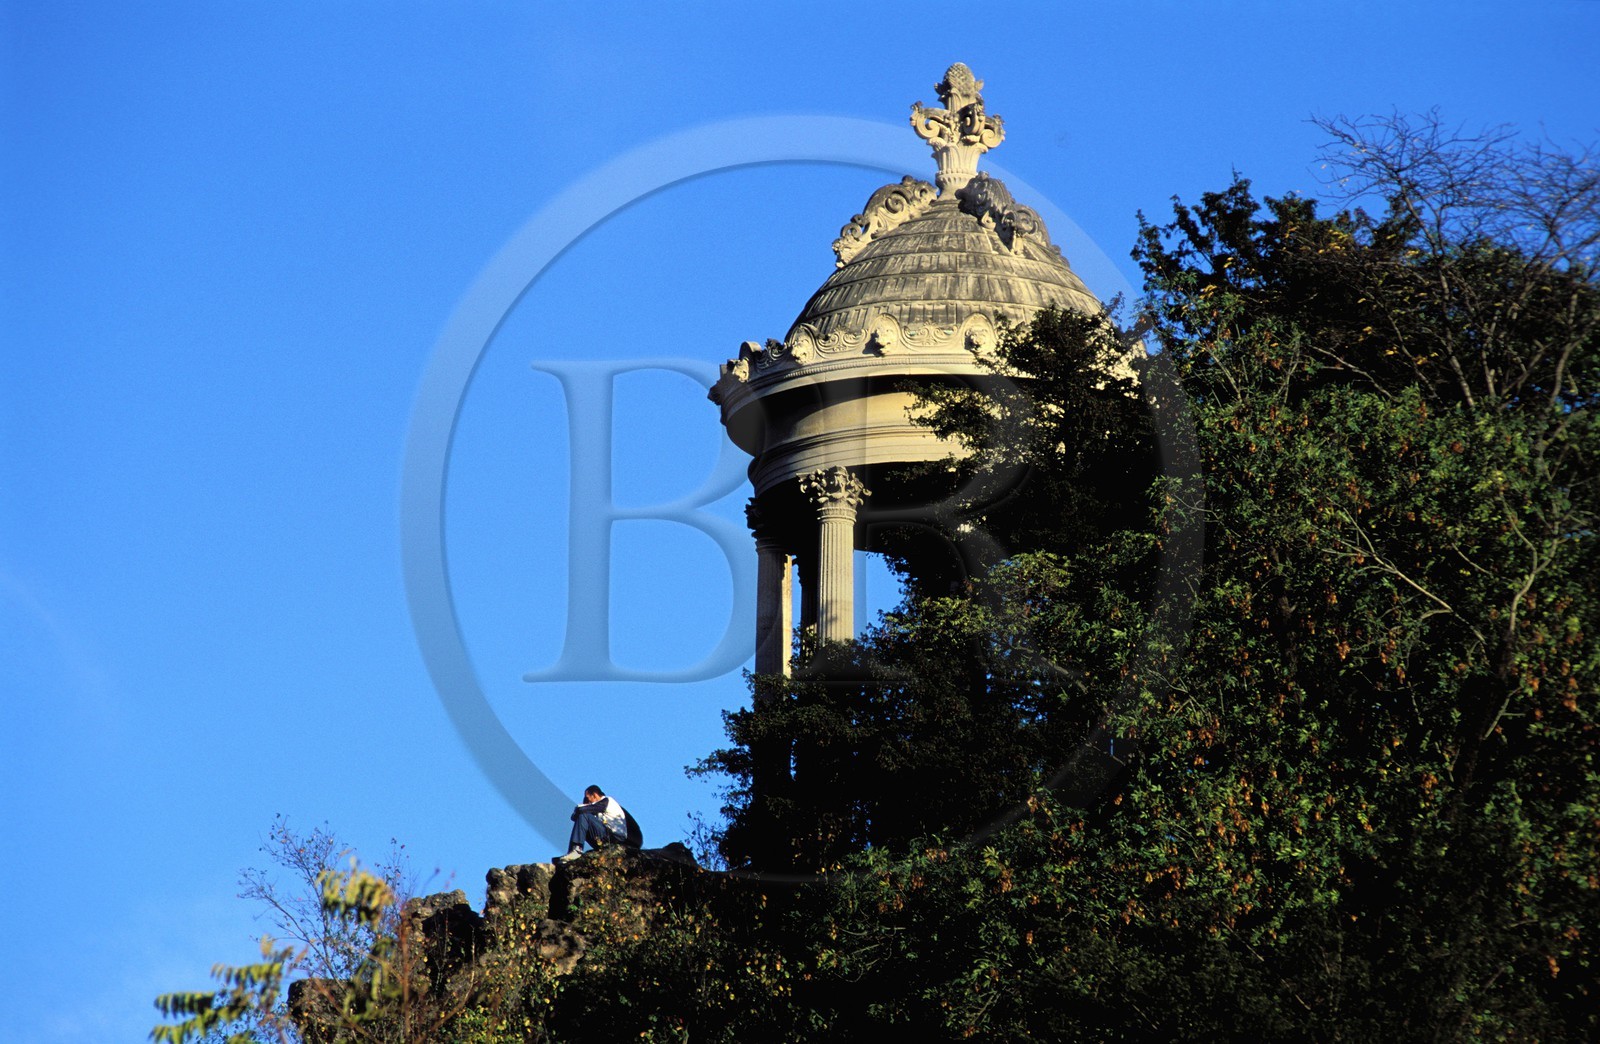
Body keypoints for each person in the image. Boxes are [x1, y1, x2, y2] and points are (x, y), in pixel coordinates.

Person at [555, 785, 628, 862]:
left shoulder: (607, 801)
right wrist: (580, 810)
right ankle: (571, 852)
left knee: (584, 816)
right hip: (605, 835)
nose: (587, 801)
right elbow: (574, 817)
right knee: (582, 823)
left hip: (614, 837)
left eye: (588, 798)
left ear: (595, 795)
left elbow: (584, 811)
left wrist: (582, 807)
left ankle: (576, 849)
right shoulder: (598, 809)